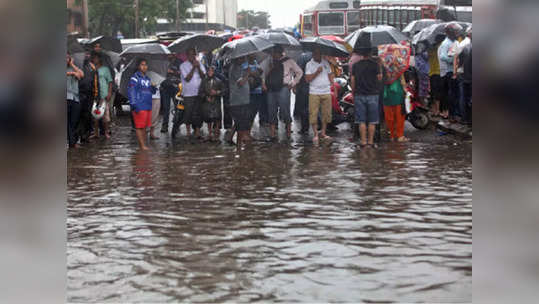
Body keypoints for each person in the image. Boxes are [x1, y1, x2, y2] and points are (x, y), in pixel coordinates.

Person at [264, 45, 303, 140]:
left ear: (280, 53)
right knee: (271, 110)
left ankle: (288, 132)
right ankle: (273, 134)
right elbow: (264, 73)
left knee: (285, 110)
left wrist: (293, 83)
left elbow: (299, 72)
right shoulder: (269, 61)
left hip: (284, 88)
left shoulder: (289, 61)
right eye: (273, 53)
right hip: (271, 89)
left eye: (275, 53)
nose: (273, 55)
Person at [350, 47, 383, 148]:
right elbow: (379, 78)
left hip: (359, 95)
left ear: (361, 55)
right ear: (370, 54)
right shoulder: (375, 65)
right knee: (372, 121)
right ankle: (371, 142)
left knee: (361, 121)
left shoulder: (356, 65)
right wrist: (380, 67)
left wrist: (353, 91)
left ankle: (363, 142)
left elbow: (352, 80)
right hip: (373, 95)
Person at [305, 48, 334, 143]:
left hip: (326, 91)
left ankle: (323, 132)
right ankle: (315, 134)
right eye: (315, 53)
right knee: (313, 113)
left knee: (326, 113)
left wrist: (333, 86)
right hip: (314, 92)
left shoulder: (325, 62)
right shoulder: (309, 64)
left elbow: (330, 74)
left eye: (318, 53)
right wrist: (317, 72)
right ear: (313, 54)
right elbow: (307, 79)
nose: (316, 55)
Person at [128, 58, 157, 150]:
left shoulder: (147, 78)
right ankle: (142, 145)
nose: (144, 67)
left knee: (144, 126)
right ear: (138, 66)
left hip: (148, 105)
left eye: (145, 65)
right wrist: (134, 105)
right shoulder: (135, 78)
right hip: (139, 105)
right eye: (142, 64)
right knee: (139, 126)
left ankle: (143, 144)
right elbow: (131, 92)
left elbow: (152, 92)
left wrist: (153, 87)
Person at [438, 23, 462, 122]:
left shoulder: (454, 41)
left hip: (454, 70)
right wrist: (454, 59)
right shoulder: (446, 43)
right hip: (449, 72)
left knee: (456, 94)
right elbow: (443, 57)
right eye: (456, 32)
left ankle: (455, 113)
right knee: (452, 94)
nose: (457, 34)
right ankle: (452, 115)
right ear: (450, 33)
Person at [180, 47, 206, 139]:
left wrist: (198, 67)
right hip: (188, 93)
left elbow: (204, 77)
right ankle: (188, 131)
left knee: (198, 112)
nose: (192, 56)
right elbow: (187, 78)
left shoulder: (200, 64)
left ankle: (197, 131)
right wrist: (193, 68)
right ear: (187, 55)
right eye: (190, 54)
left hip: (198, 92)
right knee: (188, 112)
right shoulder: (183, 65)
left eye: (193, 54)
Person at [228, 56, 251, 146]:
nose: (244, 59)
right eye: (242, 58)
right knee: (241, 124)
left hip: (243, 99)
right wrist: (248, 73)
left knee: (238, 122)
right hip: (238, 100)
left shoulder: (240, 67)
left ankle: (230, 138)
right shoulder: (234, 68)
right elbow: (240, 83)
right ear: (237, 58)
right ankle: (239, 146)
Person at [90, 52, 113, 140]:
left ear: (99, 59)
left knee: (105, 116)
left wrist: (109, 93)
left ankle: (106, 132)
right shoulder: (91, 68)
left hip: (104, 94)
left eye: (96, 58)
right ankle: (96, 133)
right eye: (94, 58)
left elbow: (110, 81)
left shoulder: (105, 69)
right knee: (95, 115)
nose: (95, 59)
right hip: (94, 95)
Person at [77, 51, 99, 144]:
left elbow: (96, 82)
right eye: (85, 54)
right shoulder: (78, 65)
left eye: (88, 54)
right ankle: (80, 135)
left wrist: (97, 95)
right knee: (80, 115)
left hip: (90, 94)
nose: (87, 56)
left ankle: (86, 135)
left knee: (88, 116)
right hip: (79, 93)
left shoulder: (92, 67)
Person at [200, 65, 224, 142]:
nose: (210, 72)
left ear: (214, 72)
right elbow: (200, 91)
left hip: (216, 101)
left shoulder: (218, 81)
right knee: (208, 118)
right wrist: (205, 97)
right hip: (207, 102)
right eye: (209, 71)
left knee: (216, 117)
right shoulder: (204, 81)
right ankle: (210, 133)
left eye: (212, 71)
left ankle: (216, 132)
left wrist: (217, 92)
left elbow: (224, 91)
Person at [245, 54, 266, 138]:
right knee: (248, 114)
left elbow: (260, 75)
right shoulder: (244, 65)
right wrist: (256, 72)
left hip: (258, 91)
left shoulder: (256, 63)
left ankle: (248, 133)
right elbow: (251, 74)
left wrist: (262, 83)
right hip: (249, 92)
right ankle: (246, 133)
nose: (254, 56)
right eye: (252, 54)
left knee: (254, 113)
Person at [455, 27, 472, 126]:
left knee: (464, 98)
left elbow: (460, 64)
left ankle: (466, 119)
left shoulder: (464, 48)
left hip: (464, 77)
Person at [383, 74, 409, 142]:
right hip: (397, 94)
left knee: (389, 117)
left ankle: (392, 135)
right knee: (399, 116)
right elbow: (403, 82)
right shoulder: (398, 68)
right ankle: (400, 136)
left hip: (386, 96)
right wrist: (405, 89)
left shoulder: (383, 68)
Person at [160, 54, 182, 133]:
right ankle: (164, 126)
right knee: (166, 108)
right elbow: (160, 73)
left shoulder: (179, 62)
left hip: (176, 88)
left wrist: (173, 71)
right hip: (165, 88)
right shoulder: (163, 62)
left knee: (177, 108)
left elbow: (182, 73)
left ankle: (176, 125)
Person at [67, 54, 84, 149]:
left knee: (74, 121)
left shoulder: (73, 68)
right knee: (67, 122)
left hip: (75, 98)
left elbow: (81, 74)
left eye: (68, 58)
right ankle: (72, 142)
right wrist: (72, 74)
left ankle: (72, 141)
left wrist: (72, 65)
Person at [294, 51, 313, 135]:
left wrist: (295, 84)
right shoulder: (319, 56)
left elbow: (298, 72)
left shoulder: (302, 56)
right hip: (315, 86)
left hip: (304, 86)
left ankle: (305, 127)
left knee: (304, 107)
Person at [428, 41, 443, 118]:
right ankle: (438, 110)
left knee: (433, 93)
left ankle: (435, 110)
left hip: (431, 73)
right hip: (438, 72)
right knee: (438, 93)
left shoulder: (429, 49)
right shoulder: (440, 47)